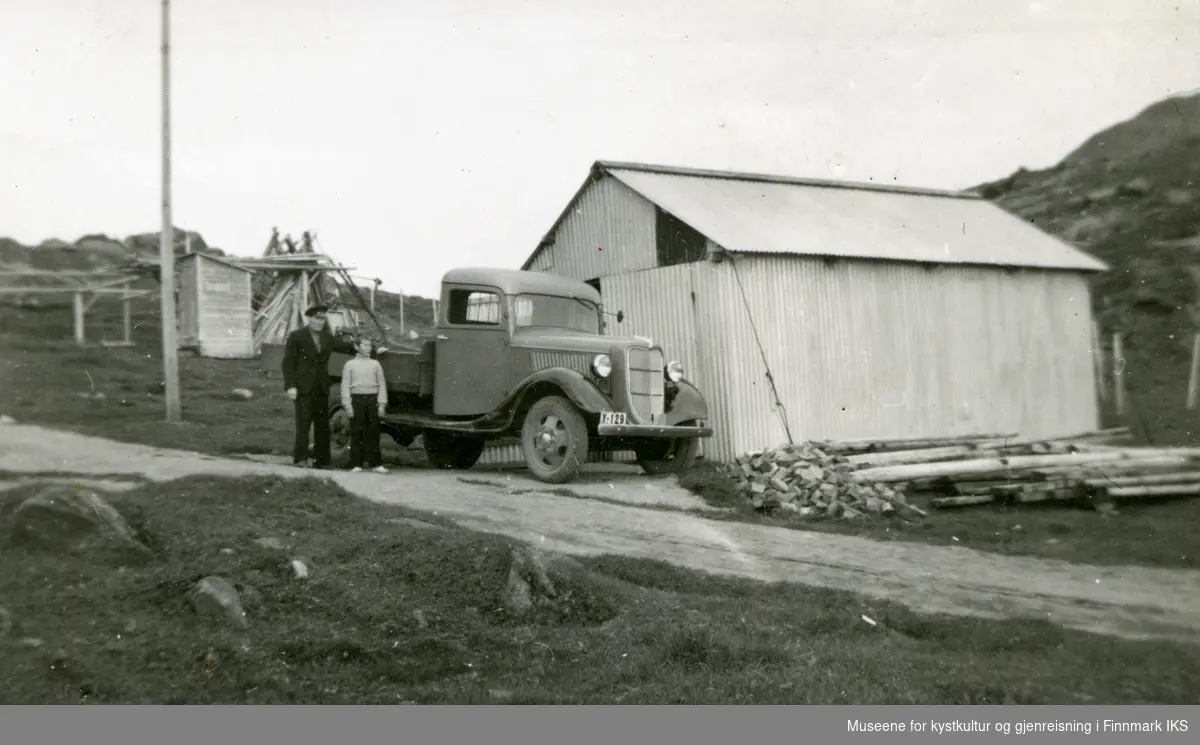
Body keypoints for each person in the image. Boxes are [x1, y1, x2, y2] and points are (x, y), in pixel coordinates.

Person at [281, 305, 386, 468]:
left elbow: (347, 347)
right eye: (316, 318)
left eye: (322, 319)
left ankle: (321, 462)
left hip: (322, 388)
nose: (319, 322)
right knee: (303, 425)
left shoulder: (327, 338)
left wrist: (372, 350)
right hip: (303, 388)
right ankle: (300, 460)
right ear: (309, 319)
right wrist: (290, 386)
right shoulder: (296, 336)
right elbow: (288, 363)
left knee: (322, 426)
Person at [341, 336, 389, 473]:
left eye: (370, 346)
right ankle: (356, 463)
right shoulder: (350, 365)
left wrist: (381, 404)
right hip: (356, 400)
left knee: (373, 431)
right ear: (357, 347)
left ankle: (376, 464)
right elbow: (345, 386)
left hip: (372, 399)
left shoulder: (375, 364)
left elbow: (381, 384)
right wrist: (348, 405)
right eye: (365, 345)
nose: (368, 348)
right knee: (357, 431)